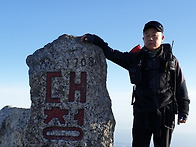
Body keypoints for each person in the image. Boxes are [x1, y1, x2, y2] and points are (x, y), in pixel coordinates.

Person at [81, 21, 190, 147]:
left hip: (165, 114)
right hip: (142, 113)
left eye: (154, 35)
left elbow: (181, 86)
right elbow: (112, 54)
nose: (150, 38)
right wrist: (97, 41)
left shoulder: (171, 60)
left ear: (162, 38)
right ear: (143, 38)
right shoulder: (135, 58)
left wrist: (184, 111)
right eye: (147, 35)